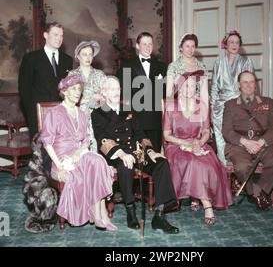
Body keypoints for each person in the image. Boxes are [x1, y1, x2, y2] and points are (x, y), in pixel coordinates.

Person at [91, 76, 180, 234]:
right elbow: (102, 140)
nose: (116, 92)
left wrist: (151, 151)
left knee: (162, 164)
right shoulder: (98, 113)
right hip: (115, 155)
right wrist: (121, 154)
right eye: (111, 89)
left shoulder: (128, 110)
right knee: (125, 166)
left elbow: (140, 134)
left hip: (137, 152)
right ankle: (131, 213)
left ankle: (159, 215)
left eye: (117, 89)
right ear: (103, 92)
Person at [40, 74, 117, 231]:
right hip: (62, 159)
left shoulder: (82, 114)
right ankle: (99, 212)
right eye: (74, 89)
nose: (77, 92)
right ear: (65, 91)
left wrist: (79, 152)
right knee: (97, 163)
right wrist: (59, 166)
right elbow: (47, 144)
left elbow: (86, 141)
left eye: (79, 90)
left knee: (97, 161)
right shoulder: (54, 113)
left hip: (80, 155)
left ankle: (99, 213)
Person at [163, 71, 233, 225]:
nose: (189, 89)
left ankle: (196, 195)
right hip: (176, 146)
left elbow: (207, 131)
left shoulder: (201, 105)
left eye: (193, 86)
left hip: (198, 143)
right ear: (179, 87)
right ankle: (207, 205)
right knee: (192, 162)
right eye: (186, 86)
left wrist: (200, 142)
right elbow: (167, 135)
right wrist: (185, 143)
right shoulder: (171, 106)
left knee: (206, 163)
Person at [222, 71, 273, 210]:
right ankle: (257, 193)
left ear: (255, 85)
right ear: (239, 85)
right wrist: (245, 142)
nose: (248, 85)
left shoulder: (267, 102)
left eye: (251, 81)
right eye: (245, 82)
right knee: (242, 167)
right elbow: (227, 131)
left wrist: (262, 141)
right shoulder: (230, 105)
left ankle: (261, 190)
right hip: (239, 144)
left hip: (263, 142)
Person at [18, 22, 73, 140]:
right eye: (55, 34)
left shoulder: (67, 60)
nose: (59, 39)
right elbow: (24, 90)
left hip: (61, 115)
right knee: (41, 154)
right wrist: (32, 115)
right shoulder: (31, 58)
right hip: (39, 115)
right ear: (45, 35)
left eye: (61, 36)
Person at [117, 32, 167, 152]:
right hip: (136, 121)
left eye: (150, 44)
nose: (147, 47)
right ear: (138, 46)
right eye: (144, 44)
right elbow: (123, 95)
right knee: (138, 158)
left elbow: (164, 94)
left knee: (155, 157)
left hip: (155, 120)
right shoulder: (127, 66)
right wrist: (127, 118)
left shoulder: (161, 66)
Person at [211, 30, 254, 165]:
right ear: (225, 44)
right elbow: (214, 87)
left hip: (239, 105)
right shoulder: (218, 62)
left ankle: (237, 171)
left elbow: (249, 87)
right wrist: (212, 107)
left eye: (237, 42)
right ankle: (223, 170)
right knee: (220, 138)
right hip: (220, 107)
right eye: (231, 42)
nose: (234, 45)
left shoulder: (246, 61)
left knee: (237, 138)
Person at [68, 40, 107, 152]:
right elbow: (68, 99)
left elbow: (107, 99)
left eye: (90, 54)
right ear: (78, 56)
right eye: (84, 54)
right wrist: (86, 99)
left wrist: (100, 99)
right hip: (78, 119)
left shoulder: (100, 75)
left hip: (98, 119)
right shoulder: (72, 75)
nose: (88, 57)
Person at [166, 33, 208, 100]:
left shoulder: (201, 67)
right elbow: (169, 92)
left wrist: (205, 109)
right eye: (187, 46)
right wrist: (170, 108)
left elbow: (204, 93)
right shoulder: (173, 66)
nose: (190, 49)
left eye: (193, 46)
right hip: (179, 106)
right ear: (181, 48)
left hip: (198, 106)